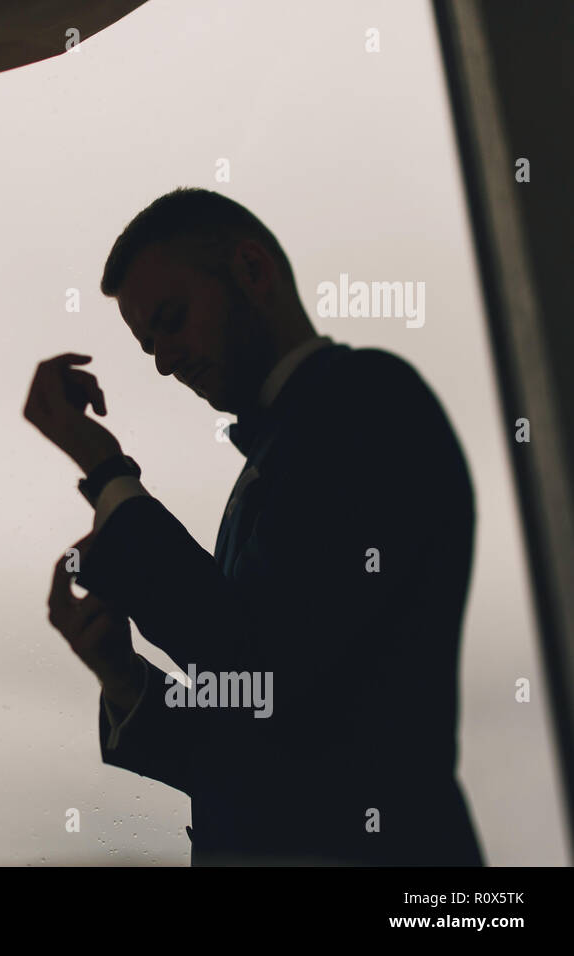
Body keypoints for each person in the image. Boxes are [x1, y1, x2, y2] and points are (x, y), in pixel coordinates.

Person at [24, 187, 483, 865]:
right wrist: (125, 680)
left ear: (252, 270)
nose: (163, 359)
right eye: (148, 344)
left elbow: (258, 667)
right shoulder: (284, 456)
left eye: (172, 320)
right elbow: (271, 733)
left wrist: (105, 469)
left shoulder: (367, 403)